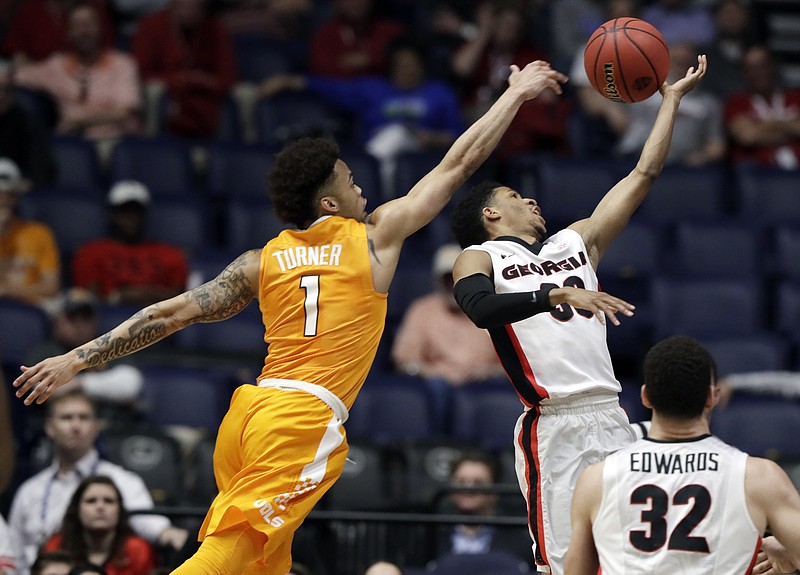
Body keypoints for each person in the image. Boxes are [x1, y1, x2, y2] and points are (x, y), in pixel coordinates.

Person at [14, 59, 569, 574]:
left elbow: (171, 313)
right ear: (328, 204)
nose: (362, 187)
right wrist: (516, 94)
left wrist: (77, 358)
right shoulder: (376, 237)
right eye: (351, 182)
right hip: (300, 420)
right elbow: (460, 163)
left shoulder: (261, 260)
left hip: (251, 418)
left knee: (264, 565)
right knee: (224, 558)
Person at [448, 55, 707, 574]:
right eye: (515, 196)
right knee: (566, 565)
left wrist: (669, 103)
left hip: (612, 416)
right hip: (554, 423)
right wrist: (556, 297)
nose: (531, 199)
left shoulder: (576, 242)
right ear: (490, 215)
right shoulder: (480, 256)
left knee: (640, 560)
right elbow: (478, 309)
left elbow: (644, 173)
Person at [564, 335, 800, 574]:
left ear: (645, 396)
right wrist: (787, 550)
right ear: (712, 397)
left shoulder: (596, 478)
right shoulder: (758, 476)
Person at [7, 390, 188, 570]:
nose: (75, 426)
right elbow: (15, 554)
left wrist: (168, 533)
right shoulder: (30, 491)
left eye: (84, 418)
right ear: (49, 428)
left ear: (96, 427)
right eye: (66, 418)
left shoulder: (122, 480)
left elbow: (148, 523)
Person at [260, 38, 464, 197]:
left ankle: (363, 179)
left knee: (398, 133)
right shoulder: (373, 89)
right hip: (377, 149)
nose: (406, 70)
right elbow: (330, 88)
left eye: (411, 65)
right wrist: (289, 80)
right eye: (400, 65)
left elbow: (459, 136)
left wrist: (431, 138)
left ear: (422, 66)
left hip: (420, 152)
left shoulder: (439, 93)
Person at [13, 3, 141, 144]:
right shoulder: (56, 66)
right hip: (73, 143)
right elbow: (15, 75)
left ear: (100, 29)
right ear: (68, 33)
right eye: (78, 25)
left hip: (116, 141)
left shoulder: (122, 64)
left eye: (89, 24)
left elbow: (124, 111)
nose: (84, 31)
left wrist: (78, 122)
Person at [391, 243, 502, 384]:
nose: (454, 285)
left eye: (458, 278)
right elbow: (405, 360)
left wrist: (491, 373)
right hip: (438, 386)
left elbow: (511, 363)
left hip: (484, 386)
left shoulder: (489, 309)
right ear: (438, 281)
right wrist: (431, 374)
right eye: (448, 278)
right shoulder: (422, 310)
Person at [131, 0, 237, 139]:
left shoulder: (215, 28)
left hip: (209, 103)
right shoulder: (151, 25)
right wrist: (184, 80)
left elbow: (229, 77)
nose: (189, 4)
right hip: (168, 101)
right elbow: (141, 74)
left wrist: (204, 83)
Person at [71, 181, 189, 307]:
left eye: (136, 211)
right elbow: (87, 302)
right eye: (124, 211)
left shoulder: (170, 255)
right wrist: (120, 296)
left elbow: (178, 303)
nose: (131, 217)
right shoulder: (91, 253)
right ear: (112, 214)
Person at [26, 288, 144, 410]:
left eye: (86, 317)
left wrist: (80, 384)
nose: (80, 324)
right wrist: (103, 385)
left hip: (110, 422)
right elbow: (41, 390)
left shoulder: (107, 346)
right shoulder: (45, 352)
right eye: (72, 318)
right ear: (57, 320)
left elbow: (130, 384)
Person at [614, 43, 726, 167]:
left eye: (685, 63)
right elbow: (612, 112)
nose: (680, 68)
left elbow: (716, 145)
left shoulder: (707, 103)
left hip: (684, 167)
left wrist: (699, 158)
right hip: (637, 162)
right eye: (676, 62)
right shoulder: (641, 92)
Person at [42, 476, 158, 575]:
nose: (100, 507)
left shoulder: (138, 550)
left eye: (109, 501)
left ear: (120, 510)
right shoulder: (56, 546)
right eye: (91, 501)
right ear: (76, 509)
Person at [437, 450, 532, 564]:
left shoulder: (519, 540)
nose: (468, 489)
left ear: (494, 491)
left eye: (478, 483)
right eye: (461, 482)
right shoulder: (429, 536)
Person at [724, 44, 800, 169]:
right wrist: (790, 127)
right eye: (751, 68)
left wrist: (763, 126)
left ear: (773, 66)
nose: (758, 73)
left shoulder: (796, 97)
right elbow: (748, 136)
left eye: (762, 65)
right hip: (757, 176)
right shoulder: (736, 102)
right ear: (744, 73)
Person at [0, 156, 61, 304]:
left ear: (16, 198)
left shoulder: (39, 233)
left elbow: (51, 287)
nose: (3, 201)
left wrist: (9, 290)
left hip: (34, 305)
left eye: (8, 195)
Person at [308, 0, 406, 79]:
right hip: (338, 97)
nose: (355, 2)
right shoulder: (324, 35)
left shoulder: (392, 31)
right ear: (335, 3)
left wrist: (368, 60)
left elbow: (403, 65)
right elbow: (321, 70)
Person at [1, 0, 115, 65]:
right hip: (41, 83)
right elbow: (18, 56)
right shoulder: (30, 10)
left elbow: (108, 55)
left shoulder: (95, 10)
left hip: (91, 78)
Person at [0, 58, 56, 187]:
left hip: (17, 193)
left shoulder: (28, 121)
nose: (1, 96)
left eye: (7, 89)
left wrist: (26, 185)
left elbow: (44, 169)